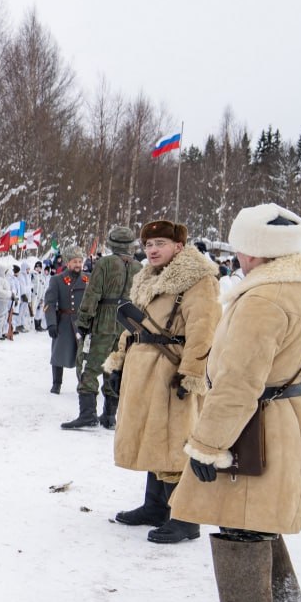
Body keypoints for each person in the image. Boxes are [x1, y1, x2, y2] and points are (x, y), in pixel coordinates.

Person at [171, 203, 301, 602]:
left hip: (253, 424)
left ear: (255, 249)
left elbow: (238, 381)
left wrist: (208, 444)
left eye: (242, 247)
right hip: (287, 415)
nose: (238, 256)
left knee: (239, 517)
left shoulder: (262, 300)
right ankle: (283, 600)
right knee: (258, 512)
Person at [101, 221, 220, 544]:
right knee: (153, 438)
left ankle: (185, 518)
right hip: (143, 370)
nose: (152, 250)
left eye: (160, 244)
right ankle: (155, 507)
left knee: (174, 442)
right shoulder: (148, 278)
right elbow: (135, 325)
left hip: (171, 371)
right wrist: (119, 361)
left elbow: (204, 330)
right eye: (148, 244)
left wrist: (192, 374)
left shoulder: (199, 280)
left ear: (179, 246)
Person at [71, 226, 141, 428]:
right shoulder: (139, 267)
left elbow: (92, 293)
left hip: (103, 321)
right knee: (114, 367)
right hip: (126, 323)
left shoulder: (105, 263)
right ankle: (109, 416)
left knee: (89, 366)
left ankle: (87, 414)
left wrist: (83, 322)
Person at [43, 246, 87, 394]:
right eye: (75, 261)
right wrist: (51, 323)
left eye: (80, 261)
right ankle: (56, 383)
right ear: (68, 263)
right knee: (58, 353)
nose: (78, 265)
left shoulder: (88, 278)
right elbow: (49, 303)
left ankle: (84, 384)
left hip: (83, 323)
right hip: (64, 322)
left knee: (84, 355)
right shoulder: (57, 280)